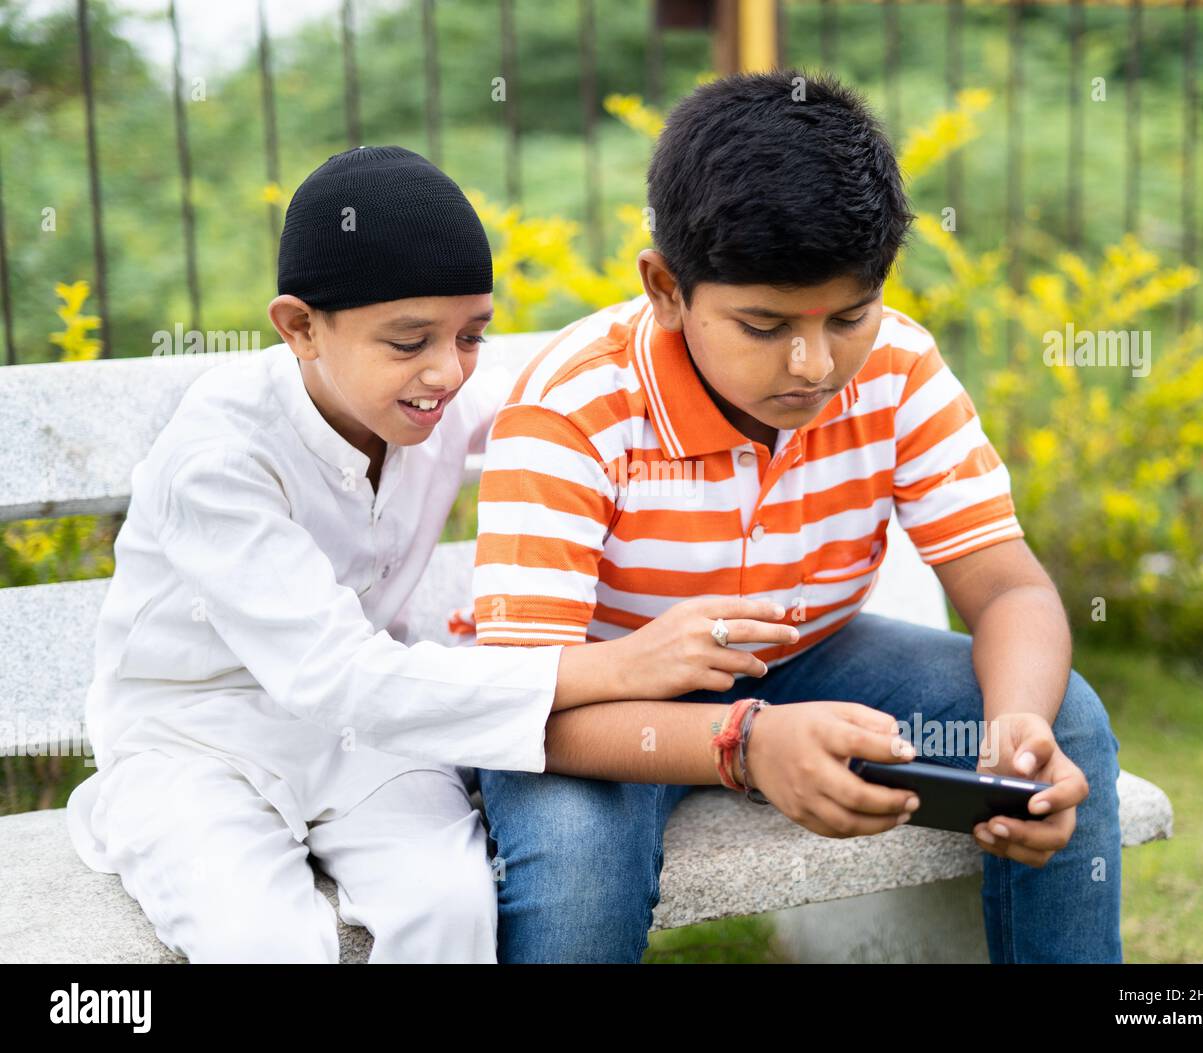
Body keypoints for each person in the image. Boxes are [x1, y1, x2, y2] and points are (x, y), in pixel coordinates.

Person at [64, 145, 791, 964]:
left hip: (370, 737)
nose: (446, 372)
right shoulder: (219, 457)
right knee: (267, 944)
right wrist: (618, 666)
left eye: (472, 334)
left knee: (452, 909)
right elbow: (335, 674)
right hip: (197, 745)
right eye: (409, 340)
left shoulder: (437, 394)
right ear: (300, 326)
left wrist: (732, 324)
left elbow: (578, 391)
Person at [470, 71, 1124, 964]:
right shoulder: (575, 407)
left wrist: (1017, 728)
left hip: (804, 657)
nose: (814, 364)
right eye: (765, 324)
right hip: (592, 698)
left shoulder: (896, 368)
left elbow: (1007, 585)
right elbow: (517, 700)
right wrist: (742, 743)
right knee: (580, 877)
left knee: (1064, 723)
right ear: (666, 287)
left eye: (848, 315)